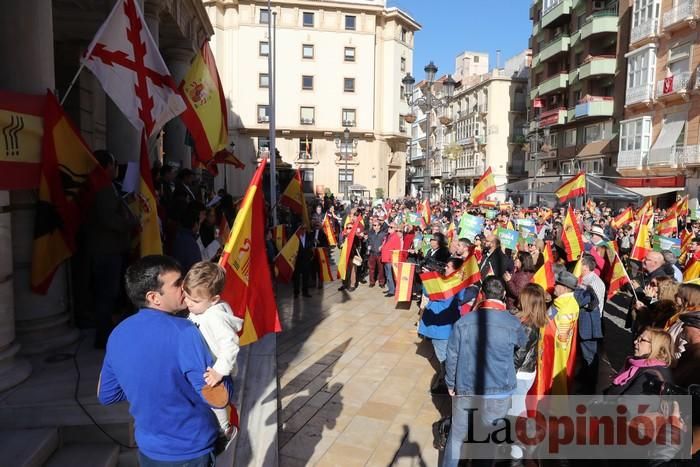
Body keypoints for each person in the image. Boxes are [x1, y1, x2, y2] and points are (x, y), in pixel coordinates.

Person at [98, 255, 233, 466]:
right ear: (154, 297)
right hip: (191, 451)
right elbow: (218, 397)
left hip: (149, 451)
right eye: (178, 284)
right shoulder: (185, 332)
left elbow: (107, 394)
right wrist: (222, 360)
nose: (186, 287)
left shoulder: (117, 333)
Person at [443, 277, 527, 467]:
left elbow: (452, 356)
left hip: (466, 387)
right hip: (500, 390)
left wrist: (450, 384)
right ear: (504, 295)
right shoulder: (513, 323)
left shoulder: (463, 322)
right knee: (488, 439)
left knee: (457, 436)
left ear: (482, 294)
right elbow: (520, 347)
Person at [183, 262, 243, 440]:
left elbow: (230, 345)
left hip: (215, 372)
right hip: (203, 368)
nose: (188, 303)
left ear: (214, 299)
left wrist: (219, 371)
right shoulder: (201, 309)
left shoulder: (215, 316)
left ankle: (226, 430)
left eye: (194, 301)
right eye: (186, 296)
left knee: (216, 403)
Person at [85, 149, 137, 348]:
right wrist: (130, 224)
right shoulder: (103, 187)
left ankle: (105, 332)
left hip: (106, 249)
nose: (117, 169)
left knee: (107, 293)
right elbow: (109, 218)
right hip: (107, 250)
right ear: (107, 166)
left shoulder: (106, 186)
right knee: (107, 293)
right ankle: (103, 337)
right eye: (114, 165)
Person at [418, 258, 468, 395]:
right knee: (447, 356)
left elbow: (434, 293)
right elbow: (429, 292)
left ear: (456, 270)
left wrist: (429, 278)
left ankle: (447, 384)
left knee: (445, 358)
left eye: (448, 267)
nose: (445, 268)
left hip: (441, 328)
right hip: (445, 326)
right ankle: (446, 380)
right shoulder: (454, 282)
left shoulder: (451, 285)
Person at [294, 226, 314, 297]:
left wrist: (311, 256)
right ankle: (296, 292)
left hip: (306, 259)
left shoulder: (309, 236)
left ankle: (305, 292)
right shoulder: (295, 237)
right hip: (297, 260)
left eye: (304, 229)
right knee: (296, 277)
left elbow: (311, 246)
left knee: (306, 276)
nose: (303, 230)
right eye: (301, 229)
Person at [366, 219, 387, 288]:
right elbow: (368, 242)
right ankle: (372, 282)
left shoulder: (383, 234)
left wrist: (382, 248)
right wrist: (368, 246)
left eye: (376, 225)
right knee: (371, 269)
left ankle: (381, 282)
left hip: (379, 254)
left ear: (379, 226)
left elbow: (386, 243)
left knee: (381, 269)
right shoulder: (370, 233)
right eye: (374, 225)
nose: (375, 227)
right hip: (372, 253)